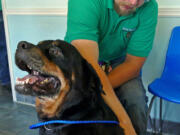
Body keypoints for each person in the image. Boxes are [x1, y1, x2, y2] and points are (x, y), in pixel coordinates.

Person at [65, 0, 158, 134]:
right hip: (81, 61)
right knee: (76, 105)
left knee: (135, 100)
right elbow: (89, 64)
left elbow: (133, 64)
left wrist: (97, 89)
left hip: (118, 61)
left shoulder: (150, 7)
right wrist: (125, 123)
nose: (133, 2)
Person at [0, 0, 11, 90]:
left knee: (3, 48)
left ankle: (4, 78)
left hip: (4, 9)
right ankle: (5, 79)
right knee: (4, 48)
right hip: (3, 10)